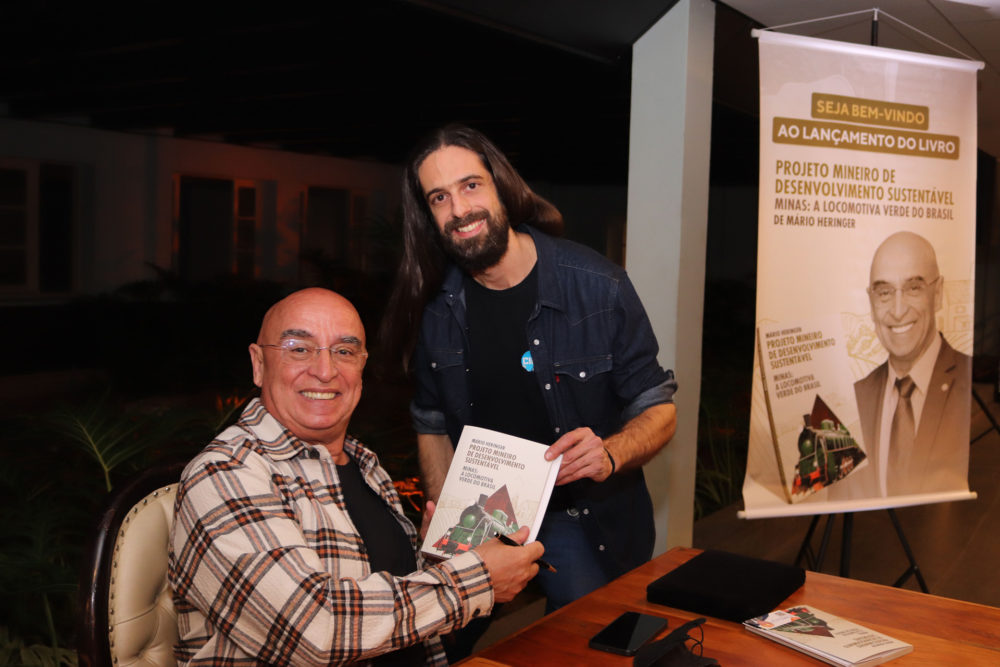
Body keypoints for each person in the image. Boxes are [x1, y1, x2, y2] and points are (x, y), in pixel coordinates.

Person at [380, 124, 678, 621]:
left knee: (588, 649)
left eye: (470, 185)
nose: (459, 209)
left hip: (578, 519)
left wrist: (610, 452)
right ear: (427, 215)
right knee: (433, 644)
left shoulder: (598, 287)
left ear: (501, 185)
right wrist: (444, 514)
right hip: (480, 520)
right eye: (439, 197)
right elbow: (431, 422)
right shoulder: (435, 310)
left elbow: (657, 407)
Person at [168, 287, 543, 666]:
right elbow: (315, 631)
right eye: (299, 348)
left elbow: (384, 595)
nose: (326, 370)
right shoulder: (226, 473)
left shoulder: (363, 464)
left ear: (362, 367)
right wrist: (475, 580)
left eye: (344, 352)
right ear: (258, 364)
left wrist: (438, 561)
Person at [853, 231, 971, 497]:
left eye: (913, 288)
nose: (897, 310)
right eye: (884, 292)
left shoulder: (972, 387)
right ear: (871, 302)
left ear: (938, 294)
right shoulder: (854, 400)